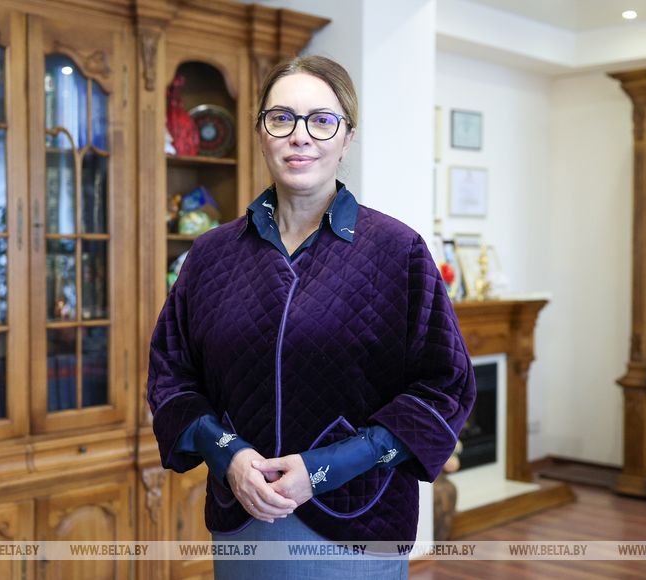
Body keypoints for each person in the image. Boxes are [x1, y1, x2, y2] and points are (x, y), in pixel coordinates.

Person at [147, 55, 476, 579]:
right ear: (261, 133)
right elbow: (171, 376)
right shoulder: (210, 256)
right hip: (242, 516)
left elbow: (445, 386)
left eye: (322, 120)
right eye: (282, 118)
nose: (300, 135)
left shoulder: (398, 252)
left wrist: (322, 469)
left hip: (358, 523)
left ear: (347, 138)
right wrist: (228, 454)